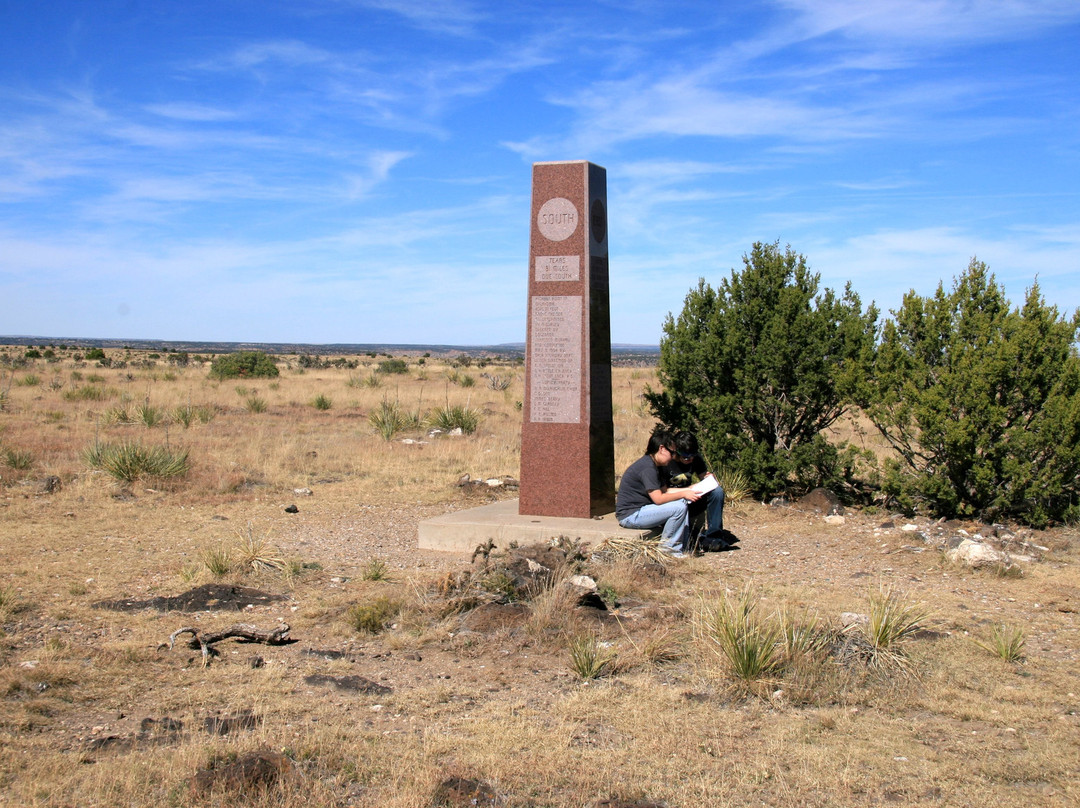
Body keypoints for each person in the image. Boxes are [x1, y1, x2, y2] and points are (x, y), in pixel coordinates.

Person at [615, 427, 702, 558]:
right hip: (631, 515)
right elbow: (659, 499)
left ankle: (683, 547)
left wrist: (689, 489)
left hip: (642, 510)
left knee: (681, 501)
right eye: (672, 453)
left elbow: (665, 491)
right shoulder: (647, 468)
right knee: (679, 507)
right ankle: (669, 550)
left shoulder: (656, 465)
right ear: (661, 449)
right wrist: (684, 494)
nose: (673, 457)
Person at [666, 431, 733, 552]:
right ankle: (694, 539)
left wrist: (709, 479)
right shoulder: (666, 461)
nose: (690, 459)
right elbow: (661, 491)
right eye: (686, 456)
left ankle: (715, 535)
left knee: (717, 492)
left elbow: (703, 476)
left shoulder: (695, 459)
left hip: (690, 497)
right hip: (671, 499)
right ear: (676, 451)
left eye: (693, 455)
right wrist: (686, 491)